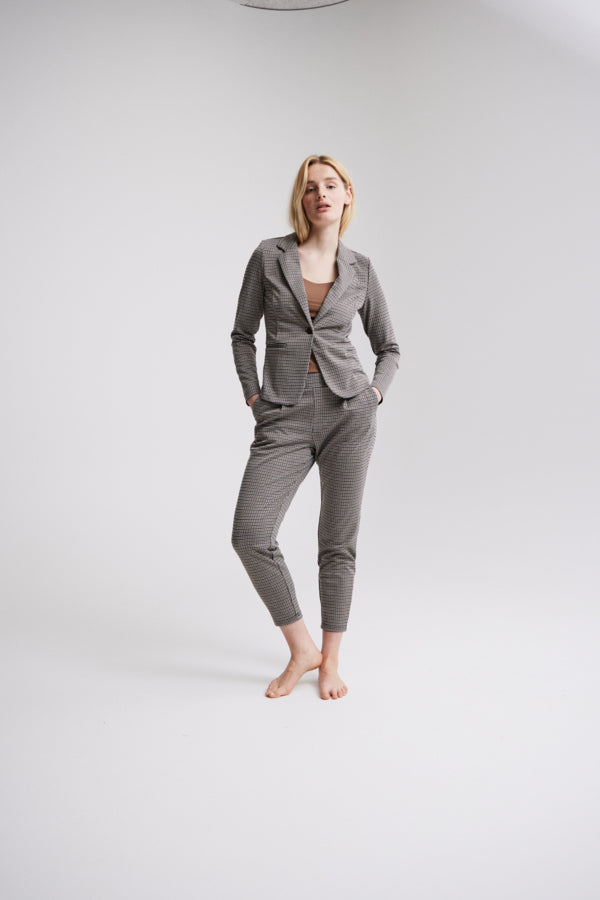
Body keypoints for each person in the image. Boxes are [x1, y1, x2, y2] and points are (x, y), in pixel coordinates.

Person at [230, 154, 400, 700]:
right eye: (310, 188)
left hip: (349, 411)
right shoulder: (269, 255)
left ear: (347, 194)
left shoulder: (361, 269)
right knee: (251, 534)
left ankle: (331, 660)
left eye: (330, 185)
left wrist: (374, 393)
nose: (320, 194)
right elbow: (242, 334)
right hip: (283, 410)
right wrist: (254, 396)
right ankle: (302, 649)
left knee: (337, 541)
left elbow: (389, 347)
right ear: (300, 200)